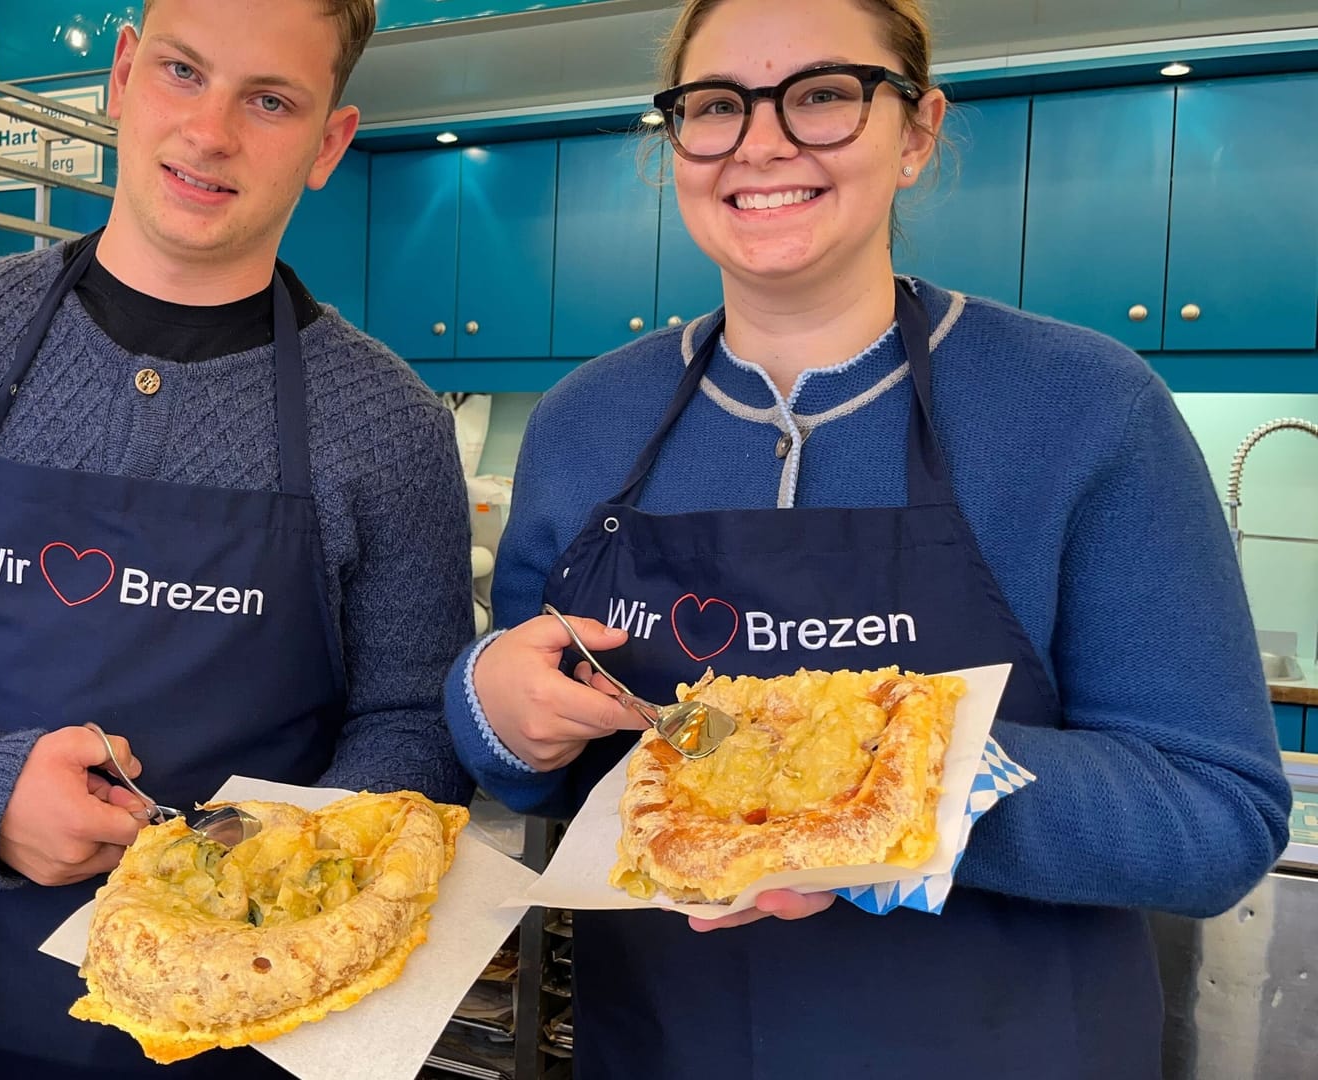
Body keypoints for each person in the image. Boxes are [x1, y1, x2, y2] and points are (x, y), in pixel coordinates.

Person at [444, 0, 1292, 1075]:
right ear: (677, 144)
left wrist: (900, 795)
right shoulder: (584, 424)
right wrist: (494, 714)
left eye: (823, 96)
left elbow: (1218, 817)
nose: (761, 140)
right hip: (661, 1046)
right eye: (717, 106)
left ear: (918, 131)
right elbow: (541, 763)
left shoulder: (1084, 409)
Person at [0, 0, 476, 1076]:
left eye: (269, 101)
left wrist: (265, 890)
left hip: (250, 1018)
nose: (210, 132)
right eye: (182, 71)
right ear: (123, 75)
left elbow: (413, 721)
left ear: (328, 144)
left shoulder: (389, 424)